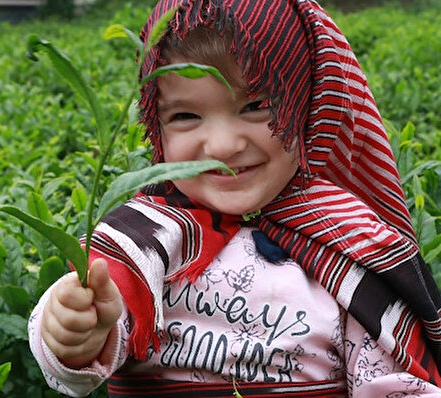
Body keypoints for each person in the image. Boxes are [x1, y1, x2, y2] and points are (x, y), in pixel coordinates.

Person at [27, 0, 441, 396]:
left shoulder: (346, 242)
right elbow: (84, 360)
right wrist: (74, 333)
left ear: (306, 107)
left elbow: (394, 384)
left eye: (257, 105)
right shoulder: (139, 239)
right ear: (157, 125)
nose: (223, 146)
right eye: (186, 116)